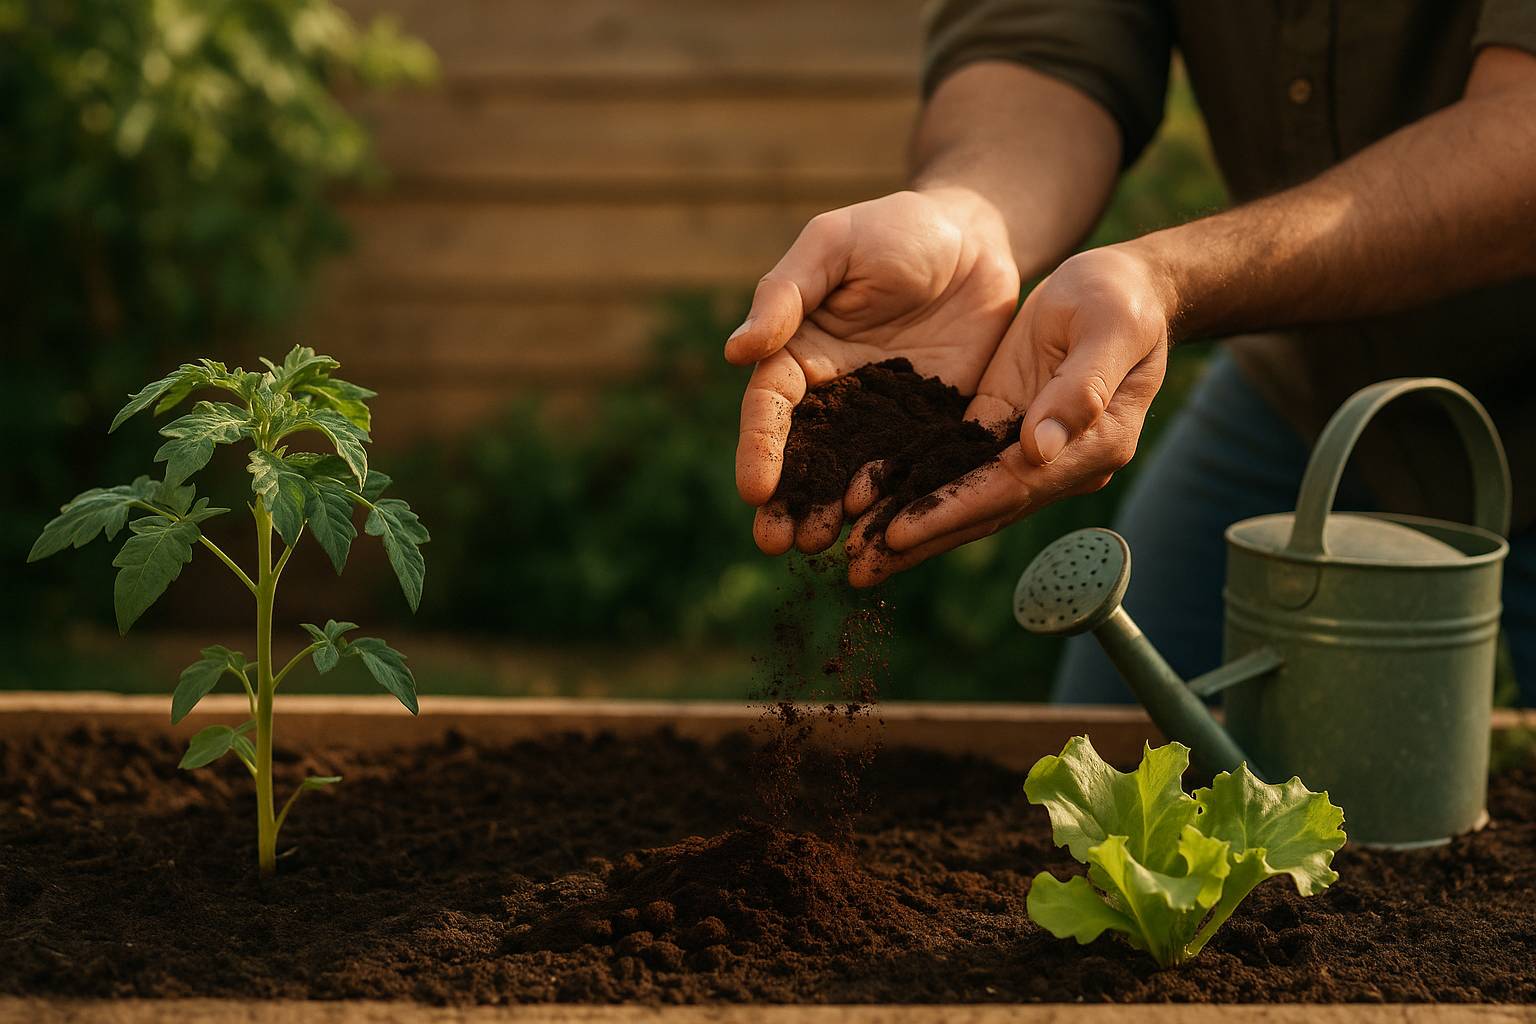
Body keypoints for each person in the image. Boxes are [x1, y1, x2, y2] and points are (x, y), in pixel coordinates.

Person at [725, 3, 1536, 705]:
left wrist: (1169, 279)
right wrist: (975, 215)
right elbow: (1046, 42)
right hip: (1306, 387)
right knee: (1119, 758)